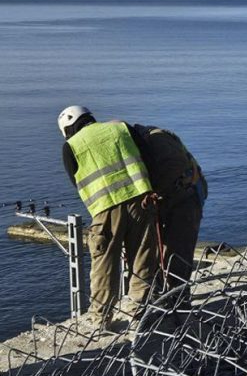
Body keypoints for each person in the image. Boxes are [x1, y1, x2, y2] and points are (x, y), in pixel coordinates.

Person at [58, 106, 159, 326]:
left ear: (67, 128)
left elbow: (76, 182)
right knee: (142, 257)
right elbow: (148, 158)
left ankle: (101, 319)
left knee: (104, 264)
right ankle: (139, 313)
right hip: (140, 201)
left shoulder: (71, 146)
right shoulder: (121, 128)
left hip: (106, 209)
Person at [128, 124, 207, 294]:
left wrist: (153, 195)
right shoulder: (144, 141)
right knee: (156, 252)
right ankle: (160, 293)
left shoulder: (158, 141)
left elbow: (173, 170)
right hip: (175, 195)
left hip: (186, 196)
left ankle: (179, 299)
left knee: (178, 252)